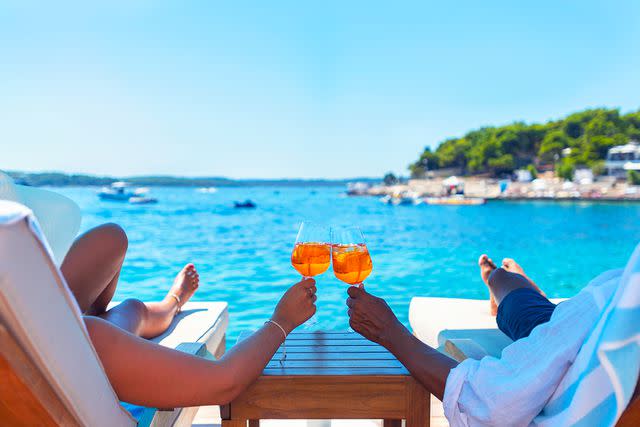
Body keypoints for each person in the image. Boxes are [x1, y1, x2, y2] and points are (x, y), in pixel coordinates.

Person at [346, 254, 640, 425]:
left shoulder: (621, 303)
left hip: (583, 326)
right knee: (532, 311)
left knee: (521, 303)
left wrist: (389, 331)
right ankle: (508, 286)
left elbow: (492, 402)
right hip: (581, 325)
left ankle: (497, 279)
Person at [62, 223, 317, 408]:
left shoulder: (72, 330)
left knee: (113, 241)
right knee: (114, 319)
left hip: (56, 321)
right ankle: (170, 303)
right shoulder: (89, 342)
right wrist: (282, 321)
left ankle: (171, 303)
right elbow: (223, 382)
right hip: (75, 347)